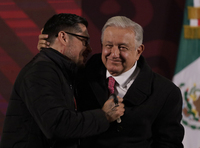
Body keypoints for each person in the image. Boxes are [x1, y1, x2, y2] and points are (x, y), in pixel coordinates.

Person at [37, 16, 184, 148]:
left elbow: (169, 144)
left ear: (138, 51)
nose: (114, 54)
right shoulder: (87, 71)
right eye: (108, 46)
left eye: (122, 47)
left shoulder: (166, 92)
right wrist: (51, 51)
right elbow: (57, 79)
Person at [0, 13, 125, 148]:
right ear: (63, 37)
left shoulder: (64, 71)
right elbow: (57, 125)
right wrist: (104, 116)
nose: (89, 48)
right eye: (84, 41)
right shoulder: (41, 71)